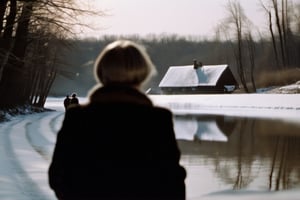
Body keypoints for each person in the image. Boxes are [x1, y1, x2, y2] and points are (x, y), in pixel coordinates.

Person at [48, 40, 186, 200]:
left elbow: (58, 177)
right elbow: (172, 183)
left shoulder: (78, 117)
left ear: (102, 72)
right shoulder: (158, 120)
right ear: (142, 73)